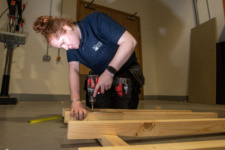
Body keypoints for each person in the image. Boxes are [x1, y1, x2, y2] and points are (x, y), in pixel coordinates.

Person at [33, 11, 144, 120]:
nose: (66, 48)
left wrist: (109, 72)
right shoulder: (72, 48)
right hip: (101, 74)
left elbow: (130, 41)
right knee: (99, 110)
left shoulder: (96, 20)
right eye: (61, 47)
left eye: (63, 43)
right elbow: (73, 70)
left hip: (125, 70)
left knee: (125, 110)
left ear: (67, 28)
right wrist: (75, 101)